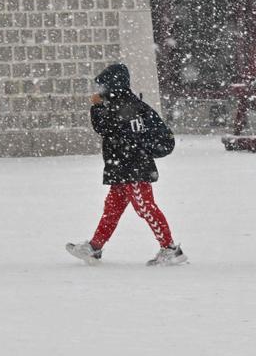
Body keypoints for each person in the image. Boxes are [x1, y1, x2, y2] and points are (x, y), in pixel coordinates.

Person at [66, 64, 185, 266]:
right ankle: (94, 247)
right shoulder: (125, 104)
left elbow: (104, 127)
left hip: (134, 169)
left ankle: (170, 249)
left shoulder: (127, 107)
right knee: (112, 208)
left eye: (103, 87)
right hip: (123, 168)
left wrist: (96, 107)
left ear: (113, 86)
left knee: (144, 207)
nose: (99, 91)